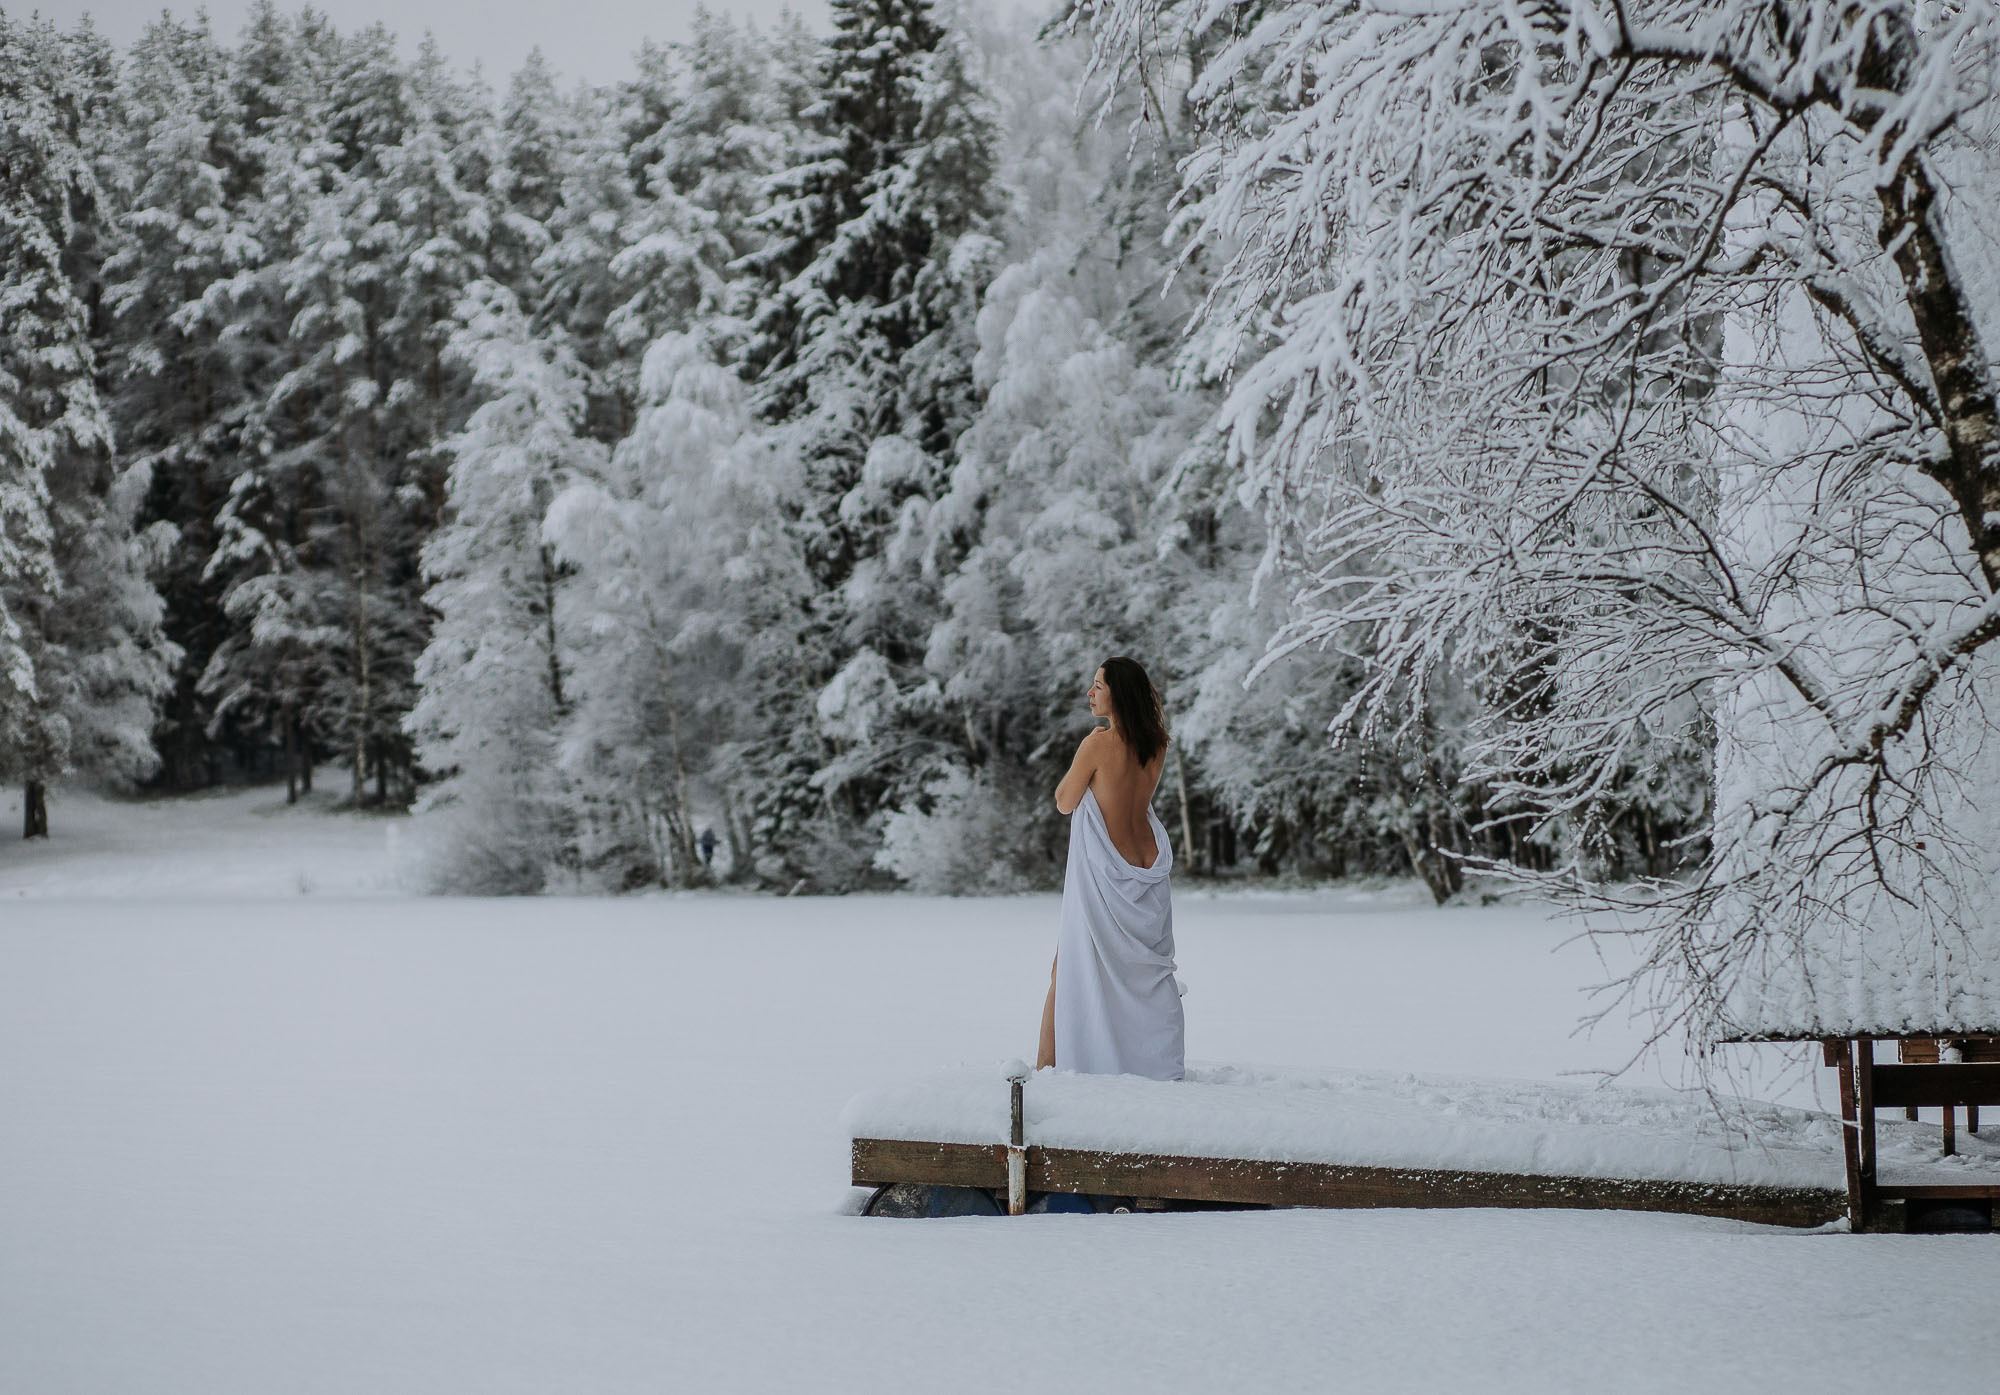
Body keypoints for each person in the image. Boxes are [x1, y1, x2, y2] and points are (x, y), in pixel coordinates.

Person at [1036, 657, 1185, 1081]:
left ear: (1117, 692)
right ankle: (1150, 1062)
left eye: (1098, 685)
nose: (1090, 692)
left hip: (1107, 876)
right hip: (1146, 865)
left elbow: (1066, 801)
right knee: (1145, 978)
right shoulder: (1157, 743)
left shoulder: (1098, 743)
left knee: (1065, 969)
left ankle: (1046, 1071)